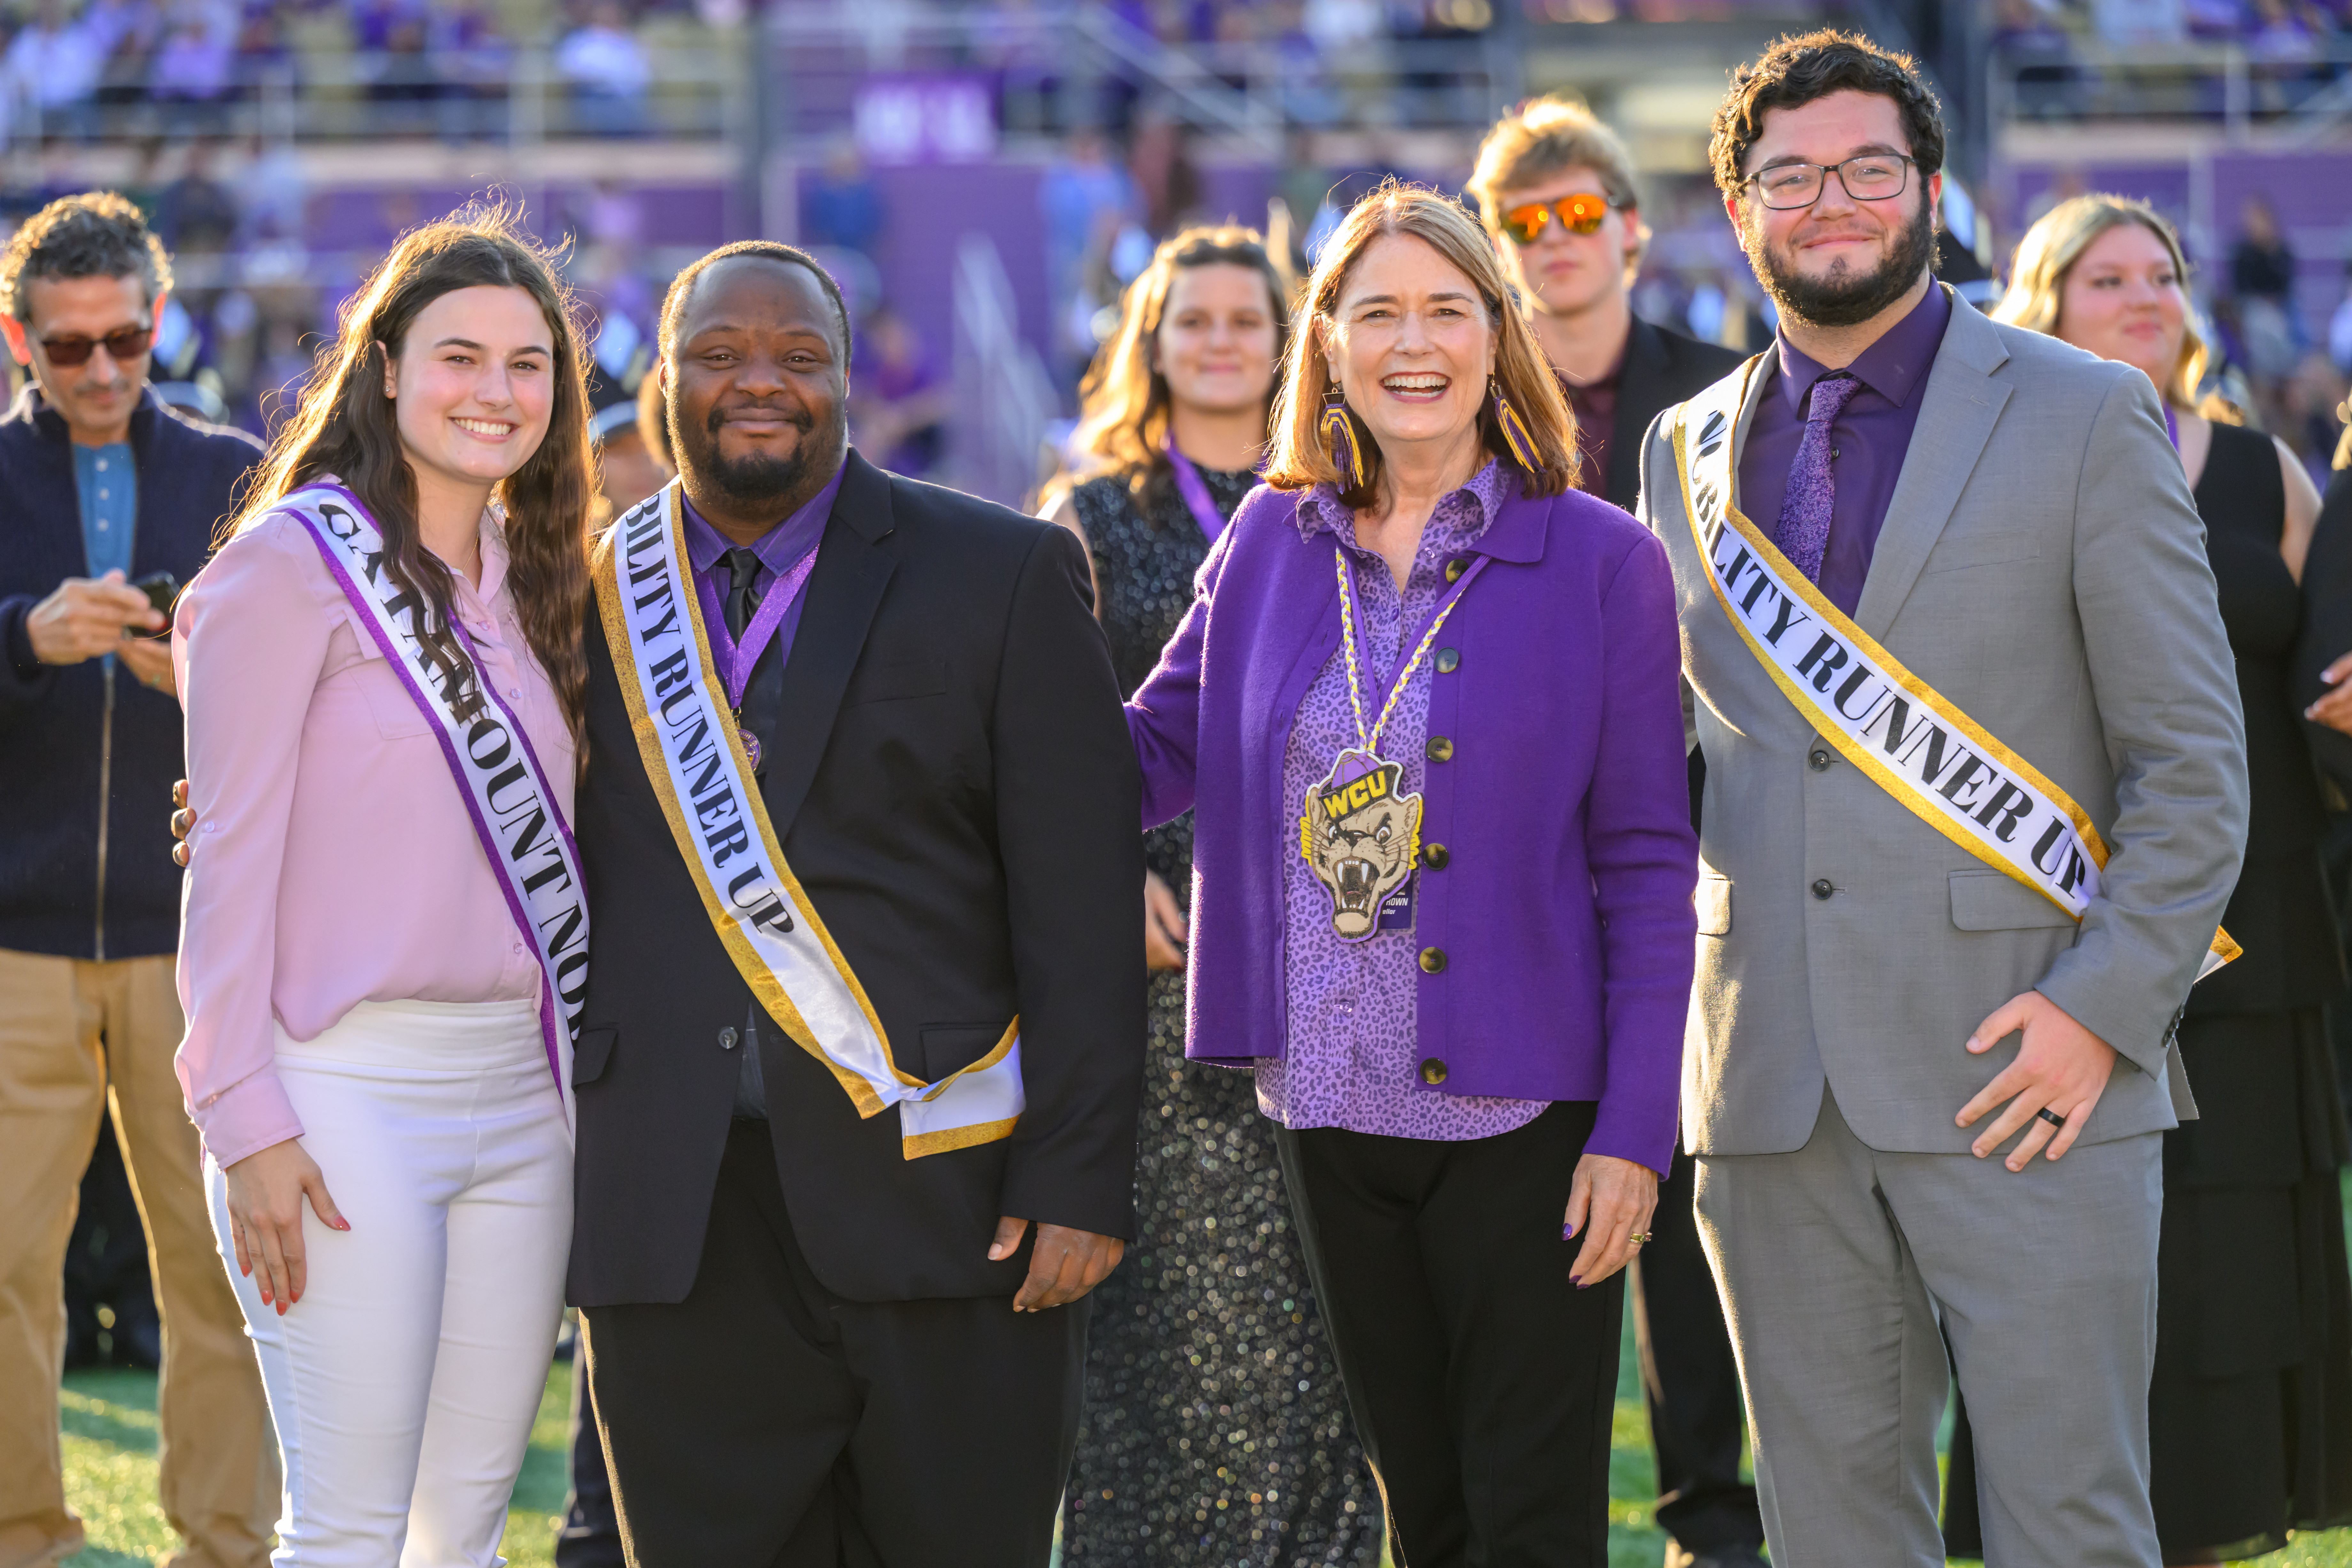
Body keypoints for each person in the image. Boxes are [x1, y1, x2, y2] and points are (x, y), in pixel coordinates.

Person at [1640, 32, 2248, 1567]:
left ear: (1927, 189)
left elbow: (2192, 765)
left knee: (2068, 1525)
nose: (1830, 200)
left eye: (1866, 168)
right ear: (1743, 209)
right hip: (1769, 1080)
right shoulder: (1680, 451)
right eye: (1791, 175)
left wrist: (2102, 1011)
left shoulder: (2083, 411)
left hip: (2025, 1065)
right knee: (1831, 1536)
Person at [1125, 183, 1699, 1565]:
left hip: (1532, 1119)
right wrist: (979, 682)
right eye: (1374, 310)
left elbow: (1644, 857)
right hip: (1326, 1100)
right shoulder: (1269, 538)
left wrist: (1634, 1132)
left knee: (1527, 1515)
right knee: (1421, 1511)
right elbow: (1150, 751)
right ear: (1324, 345)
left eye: (1447, 308)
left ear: (1502, 337)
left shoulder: (1602, 557)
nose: (1412, 341)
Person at [564, 241, 1145, 1566]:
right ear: (663, 382)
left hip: (950, 1202)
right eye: (716, 356)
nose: (757, 383)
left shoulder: (1001, 571)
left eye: (797, 357)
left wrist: (1079, 1178)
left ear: (849, 382)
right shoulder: (575, 595)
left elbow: (1083, 904)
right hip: (675, 1219)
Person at [173, 208, 596, 1564]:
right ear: (388, 370)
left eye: (529, 365)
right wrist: (243, 1118)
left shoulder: (538, 588)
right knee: (351, 1532)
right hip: (340, 1091)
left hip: (524, 1102)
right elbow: (227, 855)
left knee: (462, 1528)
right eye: (460, 356)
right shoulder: (289, 564)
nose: (495, 391)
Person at [1938, 194, 2352, 1565]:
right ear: (2039, 304)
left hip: (2258, 922)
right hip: (2068, 923)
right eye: (2103, 277)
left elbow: (2313, 674)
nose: (2143, 297)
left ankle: (2218, 1532)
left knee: (2232, 1262)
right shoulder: (1991, 462)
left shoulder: (2263, 472)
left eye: (2162, 276)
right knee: (2071, 1264)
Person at [1039, 225, 1382, 1565]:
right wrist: (1103, 871)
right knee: (1167, 1298)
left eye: (1252, 317)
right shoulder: (1090, 513)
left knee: (1323, 1295)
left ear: (1294, 341)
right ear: (1153, 341)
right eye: (1197, 320)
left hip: (1333, 931)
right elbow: (1053, 738)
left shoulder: (1347, 495)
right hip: (1160, 951)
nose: (1226, 340)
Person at [1467, 99, 1758, 1568]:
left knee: (1689, 1179)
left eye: (1578, 214)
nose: (1555, 243)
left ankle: (1713, 1512)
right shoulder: (1456, 410)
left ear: (1632, 228)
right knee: (1532, 1211)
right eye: (1523, 224)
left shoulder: (1730, 400)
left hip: (1691, 841)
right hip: (1505, 864)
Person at [0, 191, 276, 1568]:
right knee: (4, 1275)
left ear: (158, 323)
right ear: (18, 339)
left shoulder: (237, 470)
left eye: (123, 340)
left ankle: (225, 1543)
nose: (102, 370)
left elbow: (321, 690)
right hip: (15, 948)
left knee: (221, 1265)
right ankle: (21, 1536)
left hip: (200, 942)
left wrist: (207, 676)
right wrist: (17, 640)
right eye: (68, 349)